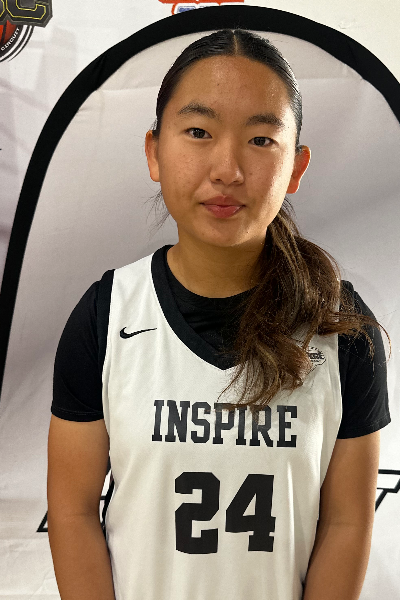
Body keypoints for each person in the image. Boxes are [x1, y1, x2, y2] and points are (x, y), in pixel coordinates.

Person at [47, 28, 391, 600]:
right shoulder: (107, 314)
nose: (227, 169)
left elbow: (347, 524)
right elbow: (72, 510)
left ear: (297, 166)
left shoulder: (342, 327)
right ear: (155, 152)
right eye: (199, 132)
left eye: (260, 139)